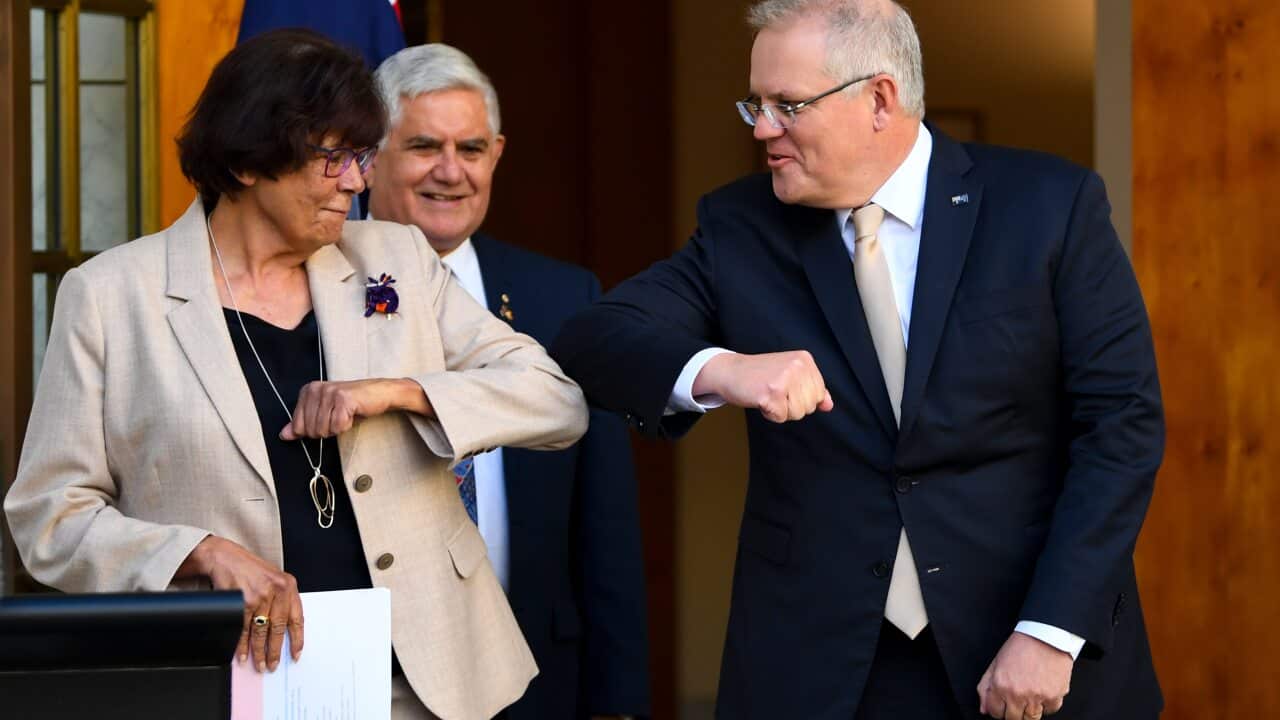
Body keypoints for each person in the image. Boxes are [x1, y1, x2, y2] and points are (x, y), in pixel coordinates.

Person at [551, 1, 1164, 719]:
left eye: (788, 105)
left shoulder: (1049, 208)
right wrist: (723, 369)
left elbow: (1122, 428)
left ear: (880, 99)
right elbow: (592, 339)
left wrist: (1051, 631)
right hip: (821, 666)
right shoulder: (741, 226)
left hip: (1023, 648)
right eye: (756, 104)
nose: (762, 129)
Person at [4, 29, 588, 720]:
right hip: (223, 683)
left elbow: (557, 402)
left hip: (420, 685)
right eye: (333, 157)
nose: (358, 181)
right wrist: (197, 552)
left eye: (363, 156)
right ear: (250, 162)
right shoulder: (110, 295)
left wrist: (395, 392)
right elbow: (49, 517)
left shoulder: (394, 258)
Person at [365, 44, 651, 720]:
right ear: (370, 155)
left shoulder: (563, 296)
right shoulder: (314, 290)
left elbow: (604, 521)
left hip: (534, 672)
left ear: (498, 153)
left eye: (471, 148)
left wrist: (618, 699)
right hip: (376, 674)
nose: (450, 172)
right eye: (424, 146)